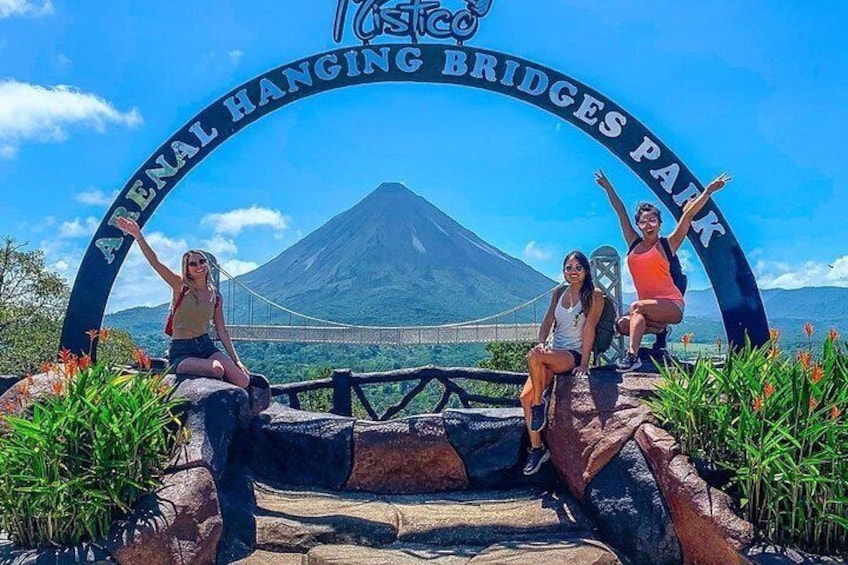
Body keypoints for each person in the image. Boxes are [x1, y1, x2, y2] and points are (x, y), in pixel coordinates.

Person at [594, 169, 731, 372]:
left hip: (671, 305)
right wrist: (608, 188)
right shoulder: (633, 243)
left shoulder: (668, 245)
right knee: (623, 325)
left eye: (652, 220)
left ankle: (633, 357)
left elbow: (688, 215)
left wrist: (708, 191)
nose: (647, 225)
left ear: (659, 223)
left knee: (636, 308)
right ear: (638, 225)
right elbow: (621, 212)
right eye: (643, 221)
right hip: (648, 309)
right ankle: (660, 331)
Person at [114, 217, 250, 388]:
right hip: (182, 350)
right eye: (193, 263)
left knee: (243, 380)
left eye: (202, 261)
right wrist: (138, 235)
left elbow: (221, 330)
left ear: (207, 265)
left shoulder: (215, 296)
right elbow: (155, 263)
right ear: (187, 268)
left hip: (206, 346)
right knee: (217, 370)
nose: (198, 266)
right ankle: (177, 370)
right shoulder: (180, 286)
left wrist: (236, 360)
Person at [520, 251, 605, 475]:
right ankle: (537, 448)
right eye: (569, 268)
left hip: (572, 353)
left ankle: (540, 405)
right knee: (524, 397)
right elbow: (549, 319)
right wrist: (541, 342)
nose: (573, 272)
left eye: (578, 267)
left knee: (535, 358)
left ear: (586, 270)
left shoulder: (594, 295)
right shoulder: (559, 292)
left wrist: (584, 363)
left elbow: (590, 329)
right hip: (553, 353)